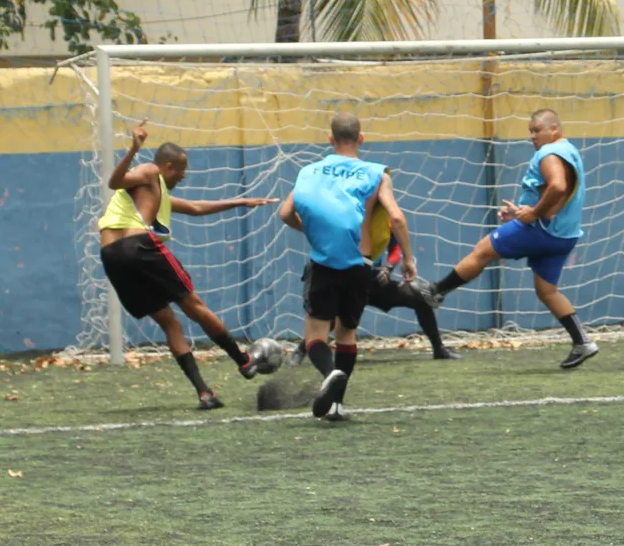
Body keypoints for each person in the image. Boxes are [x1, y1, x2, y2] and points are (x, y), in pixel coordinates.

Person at [98, 119, 279, 410]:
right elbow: (114, 182)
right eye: (182, 170)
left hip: (111, 256)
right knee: (193, 304)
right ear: (168, 166)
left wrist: (241, 201)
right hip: (137, 246)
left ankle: (204, 393)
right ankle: (243, 361)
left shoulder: (157, 194)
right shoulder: (150, 171)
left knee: (169, 322)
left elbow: (196, 208)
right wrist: (134, 148)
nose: (183, 176)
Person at [416, 109, 599, 369]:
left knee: (482, 251)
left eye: (537, 130)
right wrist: (520, 211)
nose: (532, 136)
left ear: (554, 129)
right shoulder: (570, 150)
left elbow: (557, 186)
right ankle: (582, 341)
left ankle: (436, 291)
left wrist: (532, 214)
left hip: (541, 230)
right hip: (564, 235)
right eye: (531, 131)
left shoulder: (548, 154)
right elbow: (557, 192)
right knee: (547, 291)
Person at [278, 112, 417, 419]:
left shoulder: (310, 171)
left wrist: (310, 231)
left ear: (330, 139)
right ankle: (338, 405)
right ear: (361, 139)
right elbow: (396, 218)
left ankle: (329, 373)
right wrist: (407, 259)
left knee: (315, 336)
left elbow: (285, 213)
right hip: (361, 264)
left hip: (324, 263)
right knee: (347, 333)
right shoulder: (377, 173)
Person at [287, 224, 461, 371]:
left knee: (420, 298)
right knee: (331, 319)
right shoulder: (349, 219)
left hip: (375, 282)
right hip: (350, 281)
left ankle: (439, 349)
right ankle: (302, 350)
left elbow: (394, 250)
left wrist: (388, 268)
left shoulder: (386, 220)